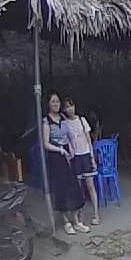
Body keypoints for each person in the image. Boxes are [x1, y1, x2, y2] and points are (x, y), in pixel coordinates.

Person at [41, 92, 88, 235]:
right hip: (56, 156)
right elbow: (45, 144)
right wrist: (60, 150)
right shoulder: (46, 121)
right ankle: (66, 221)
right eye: (53, 101)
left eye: (57, 101)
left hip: (67, 154)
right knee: (61, 188)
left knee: (74, 187)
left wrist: (71, 148)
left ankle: (77, 221)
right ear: (48, 104)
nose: (56, 104)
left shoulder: (63, 117)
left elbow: (68, 135)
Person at [62, 98, 100, 227]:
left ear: (74, 106)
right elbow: (67, 141)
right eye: (67, 107)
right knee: (79, 189)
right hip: (76, 158)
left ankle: (96, 214)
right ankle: (80, 215)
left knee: (90, 186)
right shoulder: (65, 124)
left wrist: (92, 157)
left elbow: (89, 140)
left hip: (86, 155)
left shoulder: (82, 120)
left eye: (71, 106)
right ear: (64, 109)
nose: (69, 109)